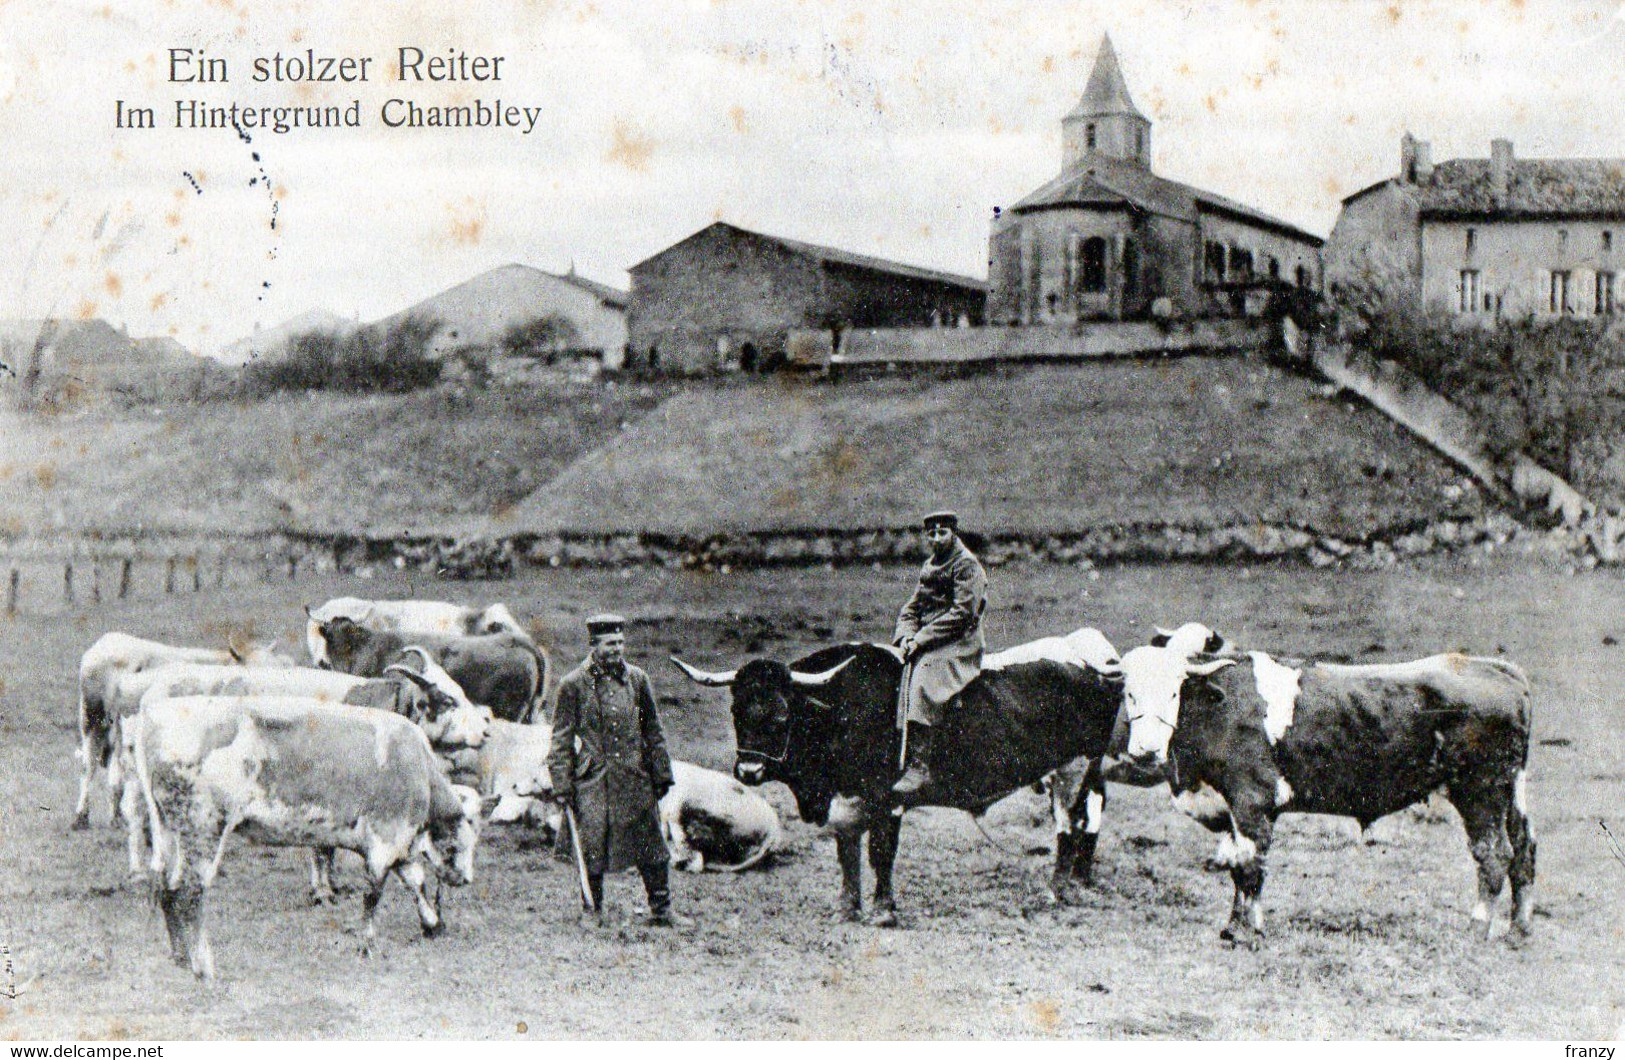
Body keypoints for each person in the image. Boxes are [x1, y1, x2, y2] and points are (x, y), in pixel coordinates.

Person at [547, 613, 689, 927]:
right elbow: (560, 739)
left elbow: (653, 729)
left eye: (621, 642)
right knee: (592, 846)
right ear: (594, 644)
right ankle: (592, 911)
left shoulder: (638, 679)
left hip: (635, 776)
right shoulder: (572, 684)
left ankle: (662, 910)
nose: (618, 649)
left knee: (652, 846)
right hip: (593, 780)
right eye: (611, 643)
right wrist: (561, 784)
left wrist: (662, 772)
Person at [891, 510, 988, 804]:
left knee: (922, 680)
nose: (936, 539)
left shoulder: (967, 565)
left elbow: (962, 614)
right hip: (929, 638)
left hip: (959, 641)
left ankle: (920, 766)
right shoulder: (930, 566)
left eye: (942, 533)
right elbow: (912, 607)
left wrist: (920, 640)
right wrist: (906, 636)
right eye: (931, 534)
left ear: (953, 533)